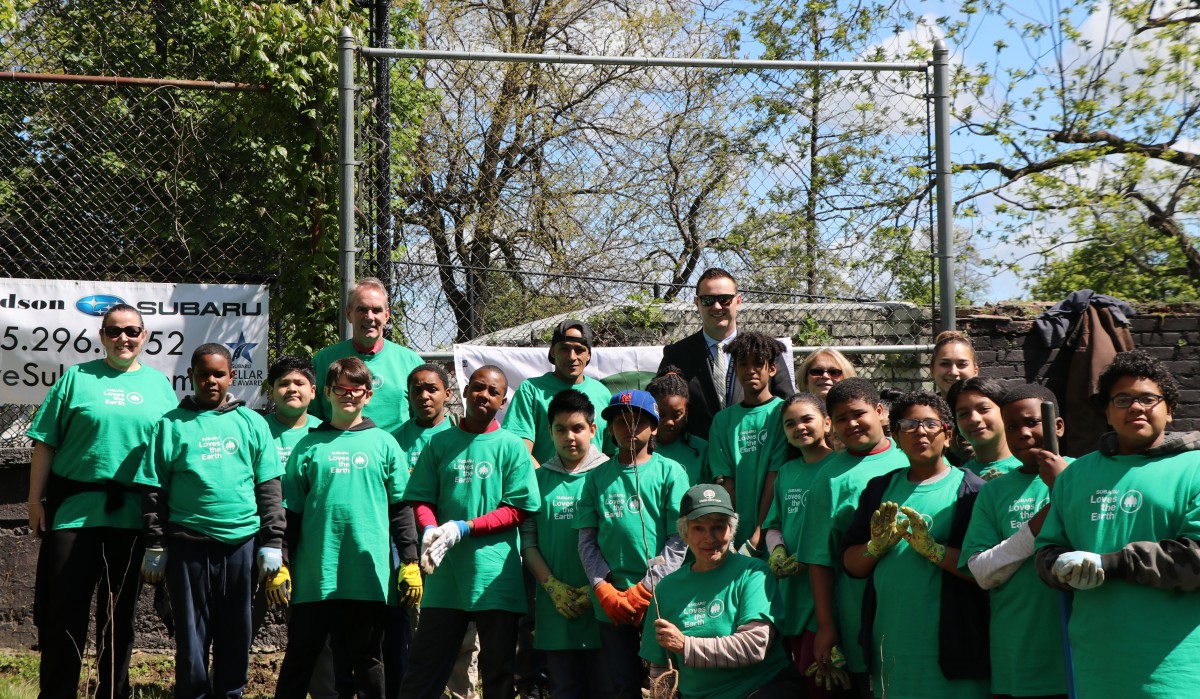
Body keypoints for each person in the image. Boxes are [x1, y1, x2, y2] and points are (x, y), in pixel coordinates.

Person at [26, 303, 178, 699]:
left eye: (132, 331)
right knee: (64, 614)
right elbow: (45, 444)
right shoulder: (76, 378)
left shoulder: (160, 386)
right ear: (102, 335)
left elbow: (171, 454)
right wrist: (33, 502)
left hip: (132, 519)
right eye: (114, 331)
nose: (123, 338)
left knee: (117, 619)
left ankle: (113, 693)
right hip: (74, 514)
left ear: (144, 336)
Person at [1035, 350, 1200, 698]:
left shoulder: (1194, 469)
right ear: (1107, 412)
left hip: (1175, 672)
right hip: (1096, 668)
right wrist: (1058, 567)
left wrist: (1108, 564)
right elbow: (1046, 550)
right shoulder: (1075, 476)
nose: (1136, 408)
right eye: (1122, 399)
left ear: (1169, 410)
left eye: (1148, 399)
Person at [135, 343, 284, 699]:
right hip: (188, 542)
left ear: (232, 376)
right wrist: (156, 543)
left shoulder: (251, 423)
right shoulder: (170, 425)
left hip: (241, 544)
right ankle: (194, 694)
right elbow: (154, 491)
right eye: (203, 374)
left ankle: (231, 692)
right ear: (191, 377)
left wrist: (272, 542)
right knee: (190, 631)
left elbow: (268, 488)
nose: (211, 380)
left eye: (219, 373)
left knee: (237, 629)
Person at [273, 357, 418, 699]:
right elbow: (290, 512)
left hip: (368, 576)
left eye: (356, 389)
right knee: (300, 657)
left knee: (368, 660)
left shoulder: (385, 444)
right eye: (340, 388)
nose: (348, 395)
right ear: (326, 392)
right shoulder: (308, 446)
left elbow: (400, 508)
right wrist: (281, 561)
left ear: (368, 395)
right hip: (315, 576)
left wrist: (410, 560)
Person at [400, 366, 541, 699]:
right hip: (446, 576)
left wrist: (464, 527)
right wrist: (431, 528)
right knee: (424, 668)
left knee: (499, 673)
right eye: (478, 388)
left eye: (493, 392)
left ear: (503, 401)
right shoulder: (440, 443)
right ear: (464, 392)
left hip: (495, 576)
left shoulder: (511, 447)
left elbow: (518, 509)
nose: (484, 395)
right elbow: (421, 498)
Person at [841, 391, 989, 699]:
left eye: (930, 424)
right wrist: (875, 547)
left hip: (953, 651)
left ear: (947, 435)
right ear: (894, 435)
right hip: (891, 647)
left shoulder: (972, 492)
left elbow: (985, 569)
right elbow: (851, 563)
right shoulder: (880, 489)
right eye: (909, 425)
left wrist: (934, 551)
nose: (920, 432)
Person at [574, 390, 691, 699]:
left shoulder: (670, 472)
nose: (628, 428)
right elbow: (587, 538)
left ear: (654, 427)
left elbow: (678, 539)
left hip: (660, 599)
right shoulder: (596, 477)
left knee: (664, 683)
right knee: (621, 684)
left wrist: (646, 588)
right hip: (611, 602)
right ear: (610, 429)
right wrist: (602, 587)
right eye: (619, 421)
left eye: (638, 421)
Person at [640, 484, 805, 699]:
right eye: (698, 528)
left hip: (758, 689)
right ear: (684, 533)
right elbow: (660, 666)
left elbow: (755, 645)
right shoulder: (666, 588)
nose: (710, 538)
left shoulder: (753, 572)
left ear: (731, 529)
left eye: (719, 526)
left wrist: (686, 645)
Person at [796, 378, 908, 694]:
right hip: (859, 613)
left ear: (880, 411)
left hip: (915, 606)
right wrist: (827, 626)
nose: (852, 424)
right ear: (831, 425)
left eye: (859, 414)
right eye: (842, 419)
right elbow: (819, 559)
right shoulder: (829, 478)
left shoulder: (910, 456)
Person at [959, 383, 1070, 699]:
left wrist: (1064, 486)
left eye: (1032, 422)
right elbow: (981, 571)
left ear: (1057, 426)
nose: (1022, 433)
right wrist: (1042, 519)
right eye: (1012, 426)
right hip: (1019, 656)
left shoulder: (1086, 475)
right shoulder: (992, 492)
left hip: (1080, 652)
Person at [520, 390, 609, 698]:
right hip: (556, 612)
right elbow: (528, 542)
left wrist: (598, 588)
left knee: (608, 688)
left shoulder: (610, 474)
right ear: (549, 432)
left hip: (604, 607)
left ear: (593, 430)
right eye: (561, 429)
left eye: (578, 428)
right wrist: (552, 587)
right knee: (565, 689)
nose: (569, 437)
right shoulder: (538, 479)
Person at [659, 268, 792, 440]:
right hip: (698, 457)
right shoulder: (676, 354)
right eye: (707, 300)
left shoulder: (764, 350)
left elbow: (787, 403)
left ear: (738, 301)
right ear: (696, 303)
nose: (716, 306)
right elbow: (662, 408)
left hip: (755, 453)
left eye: (724, 299)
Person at [761, 393, 836, 696]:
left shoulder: (840, 467)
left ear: (827, 422)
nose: (799, 427)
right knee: (804, 673)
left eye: (807, 419)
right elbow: (773, 524)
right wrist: (777, 551)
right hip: (792, 591)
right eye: (790, 423)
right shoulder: (787, 473)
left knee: (825, 674)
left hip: (828, 591)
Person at [707, 332, 790, 551]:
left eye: (758, 363)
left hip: (773, 532)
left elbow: (776, 476)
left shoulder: (784, 413)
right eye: (743, 364)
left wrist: (758, 533)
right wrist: (728, 533)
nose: (750, 370)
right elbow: (726, 482)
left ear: (772, 369)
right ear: (735, 369)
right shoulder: (722, 421)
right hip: (734, 535)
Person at [311, 277, 424, 434]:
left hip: (395, 453)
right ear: (348, 314)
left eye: (377, 310)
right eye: (362, 309)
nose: (369, 317)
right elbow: (311, 417)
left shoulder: (411, 362)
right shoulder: (324, 361)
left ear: (386, 315)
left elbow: (421, 420)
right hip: (338, 454)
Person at [503, 319, 612, 466]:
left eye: (579, 350)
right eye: (565, 349)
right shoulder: (531, 390)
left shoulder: (602, 393)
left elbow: (611, 452)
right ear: (553, 351)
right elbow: (519, 449)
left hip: (593, 486)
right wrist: (546, 480)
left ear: (588, 355)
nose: (572, 356)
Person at [947, 377, 1020, 480]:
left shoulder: (1033, 468)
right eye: (963, 414)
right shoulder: (959, 480)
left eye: (984, 409)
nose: (974, 419)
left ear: (1005, 411)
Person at [647, 366, 709, 485]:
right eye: (661, 414)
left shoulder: (703, 449)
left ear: (686, 412)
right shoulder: (638, 448)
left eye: (677, 415)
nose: (669, 422)